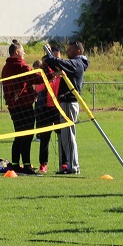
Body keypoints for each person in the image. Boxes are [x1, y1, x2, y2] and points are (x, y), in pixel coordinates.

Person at [43, 41, 90, 175]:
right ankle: (70, 165)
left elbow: (61, 63)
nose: (68, 51)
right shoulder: (75, 63)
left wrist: (50, 56)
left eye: (70, 49)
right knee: (65, 136)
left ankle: (73, 166)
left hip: (70, 102)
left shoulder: (77, 63)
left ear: (78, 52)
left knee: (68, 136)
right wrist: (50, 58)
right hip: (65, 102)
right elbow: (57, 64)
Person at [1, 40, 39, 173]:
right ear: (17, 52)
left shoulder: (6, 67)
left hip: (13, 106)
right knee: (27, 135)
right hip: (24, 105)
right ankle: (27, 165)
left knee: (19, 135)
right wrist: (52, 73)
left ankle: (15, 164)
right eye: (23, 51)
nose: (25, 53)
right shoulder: (21, 66)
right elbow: (37, 79)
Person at [33, 58, 63, 173]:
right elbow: (39, 87)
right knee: (44, 138)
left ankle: (64, 163)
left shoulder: (60, 75)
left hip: (57, 109)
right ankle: (43, 163)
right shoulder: (42, 76)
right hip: (44, 111)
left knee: (62, 137)